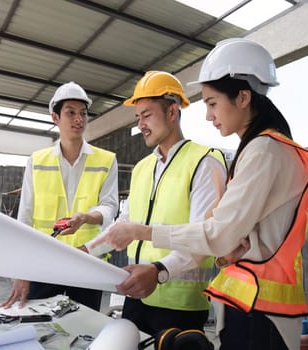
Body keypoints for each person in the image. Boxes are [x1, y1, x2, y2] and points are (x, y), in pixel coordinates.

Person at [91, 38, 308, 350]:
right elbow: (236, 235)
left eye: (212, 103)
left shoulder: (253, 151)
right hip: (246, 302)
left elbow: (217, 233)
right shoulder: (259, 148)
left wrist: (146, 241)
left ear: (242, 97)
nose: (209, 115)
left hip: (248, 308)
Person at [85, 71, 227, 336]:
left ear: (172, 112)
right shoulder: (142, 168)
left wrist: (158, 271)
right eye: (138, 117)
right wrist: (85, 250)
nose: (141, 125)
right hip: (135, 297)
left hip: (180, 307)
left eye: (147, 115)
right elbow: (122, 225)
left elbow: (204, 238)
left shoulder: (205, 162)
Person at [0, 81, 119, 311]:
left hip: (87, 261)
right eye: (71, 113)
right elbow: (24, 218)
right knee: (40, 326)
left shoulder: (106, 160)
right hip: (45, 263)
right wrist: (21, 272)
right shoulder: (37, 160)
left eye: (83, 114)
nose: (79, 119)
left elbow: (110, 206)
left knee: (85, 330)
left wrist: (86, 217)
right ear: (56, 118)